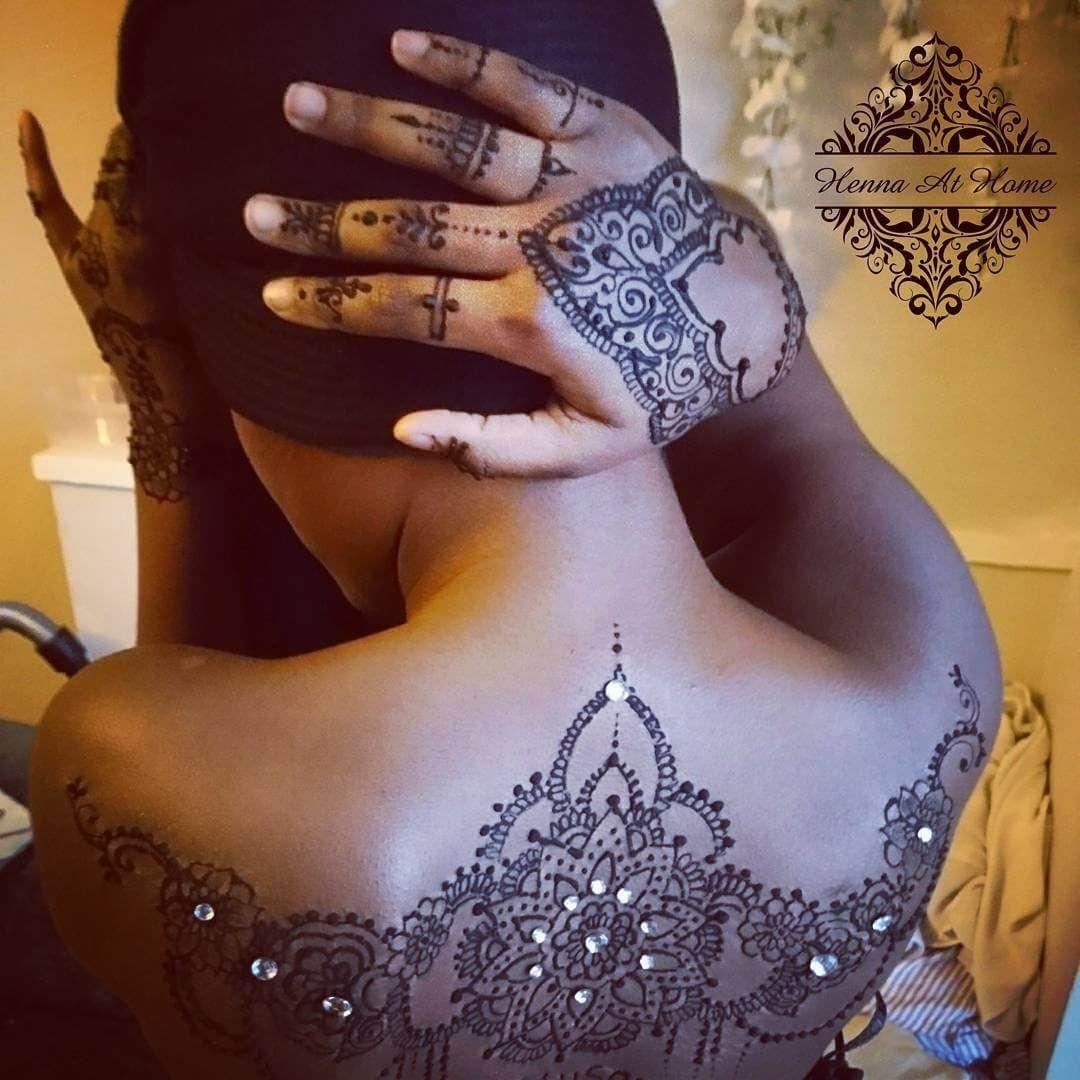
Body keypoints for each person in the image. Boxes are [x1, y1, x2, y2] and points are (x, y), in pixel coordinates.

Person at [22, 2, 1000, 1077]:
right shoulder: (927, 672)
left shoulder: (122, 763)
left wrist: (159, 400)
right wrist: (707, 237)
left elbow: (180, 695)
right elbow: (775, 401)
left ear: (229, 360)